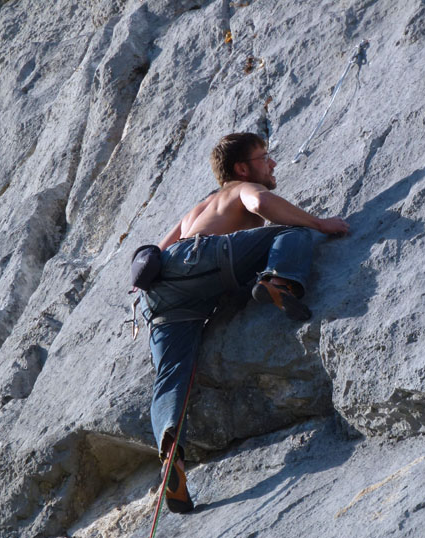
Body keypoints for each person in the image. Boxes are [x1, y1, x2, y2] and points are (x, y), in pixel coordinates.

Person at [140, 132, 349, 512]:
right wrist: (319, 223)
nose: (271, 164)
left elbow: (161, 249)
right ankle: (279, 280)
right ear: (241, 167)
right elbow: (263, 203)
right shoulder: (242, 189)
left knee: (173, 373)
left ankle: (172, 453)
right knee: (292, 231)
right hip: (206, 259)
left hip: (161, 292)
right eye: (264, 156)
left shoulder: (198, 208)